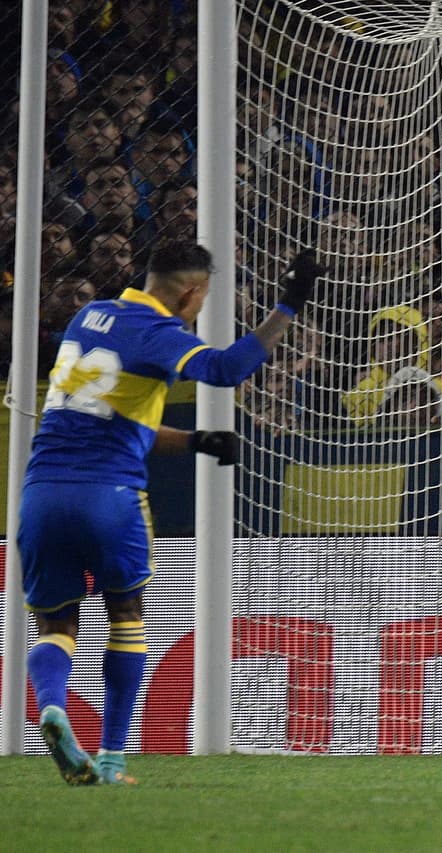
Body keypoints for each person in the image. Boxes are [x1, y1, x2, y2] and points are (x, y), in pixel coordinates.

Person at [19, 239, 322, 785]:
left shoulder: (91, 315)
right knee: (126, 618)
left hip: (41, 493)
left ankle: (51, 705)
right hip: (110, 497)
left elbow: (114, 420)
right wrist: (290, 304)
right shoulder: (159, 333)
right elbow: (227, 368)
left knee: (56, 624)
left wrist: (196, 440)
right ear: (192, 292)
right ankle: (111, 759)